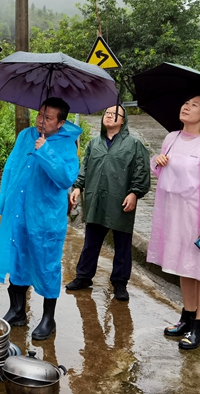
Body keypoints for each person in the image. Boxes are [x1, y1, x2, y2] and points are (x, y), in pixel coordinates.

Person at [0, 97, 81, 340]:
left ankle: (48, 318)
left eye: (48, 118)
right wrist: (4, 199)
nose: (41, 121)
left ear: (60, 123)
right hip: (19, 211)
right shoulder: (26, 136)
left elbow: (65, 179)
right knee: (18, 257)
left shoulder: (66, 144)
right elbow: (11, 166)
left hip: (46, 217)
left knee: (47, 264)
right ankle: (17, 310)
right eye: (40, 114)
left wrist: (46, 150)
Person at [147, 95, 200, 350]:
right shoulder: (172, 138)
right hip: (173, 215)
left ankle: (199, 329)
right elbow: (162, 171)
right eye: (185, 103)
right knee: (184, 267)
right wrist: (157, 161)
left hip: (197, 218)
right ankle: (187, 318)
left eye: (194, 105)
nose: (186, 107)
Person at [66, 105, 151, 301]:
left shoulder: (134, 145)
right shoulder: (94, 143)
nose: (110, 116)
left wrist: (134, 193)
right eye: (107, 113)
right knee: (91, 242)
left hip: (121, 200)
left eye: (115, 114)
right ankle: (83, 277)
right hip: (96, 199)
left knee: (122, 244)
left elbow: (141, 171)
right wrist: (78, 187)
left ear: (123, 120)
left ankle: (120, 283)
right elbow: (85, 167)